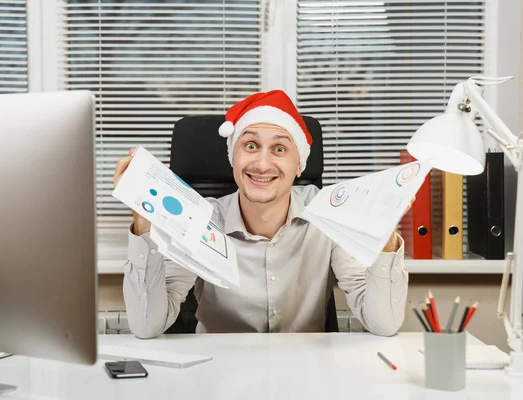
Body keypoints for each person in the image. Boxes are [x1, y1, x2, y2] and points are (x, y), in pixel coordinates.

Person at [114, 90, 409, 339]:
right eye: (251, 145)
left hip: (306, 377)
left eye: (279, 148)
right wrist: (144, 223)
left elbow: (383, 324)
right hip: (217, 376)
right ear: (233, 158)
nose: (262, 164)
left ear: (299, 166)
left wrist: (384, 237)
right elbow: (146, 326)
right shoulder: (201, 219)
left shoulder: (328, 213)